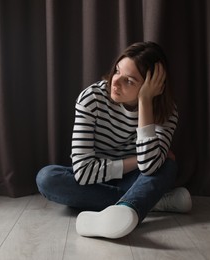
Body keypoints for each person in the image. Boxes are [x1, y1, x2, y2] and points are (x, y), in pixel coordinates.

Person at [36, 41, 192, 239]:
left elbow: (150, 168)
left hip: (136, 179)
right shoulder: (91, 99)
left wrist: (145, 102)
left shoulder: (166, 112)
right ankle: (150, 201)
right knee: (47, 178)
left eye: (129, 81)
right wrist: (137, 160)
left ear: (152, 87)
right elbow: (83, 172)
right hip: (96, 178)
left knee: (167, 167)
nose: (115, 82)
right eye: (117, 71)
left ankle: (130, 206)